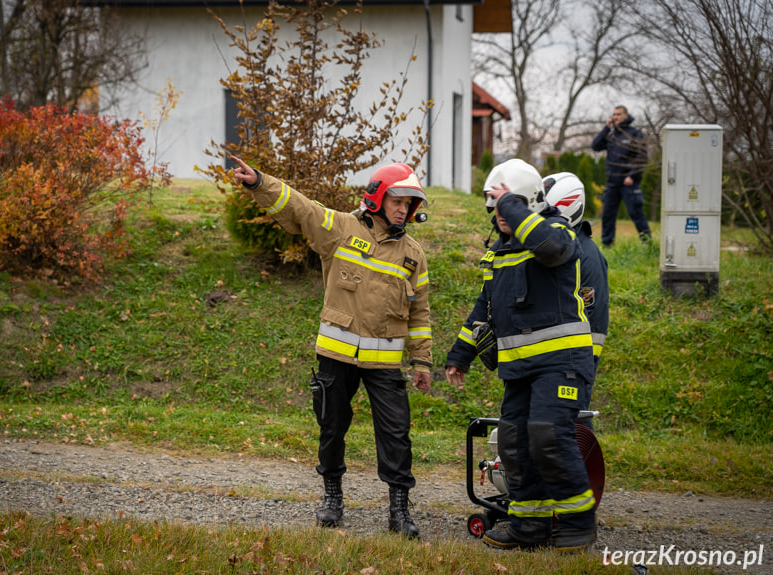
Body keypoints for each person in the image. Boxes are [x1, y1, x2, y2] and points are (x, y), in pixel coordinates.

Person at [231, 156, 433, 539]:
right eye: (398, 201)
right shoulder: (341, 228)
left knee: (396, 435)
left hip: (385, 364)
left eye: (409, 204)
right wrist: (260, 183)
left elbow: (420, 311)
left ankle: (399, 510)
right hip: (336, 357)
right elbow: (300, 208)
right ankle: (332, 497)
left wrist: (421, 360)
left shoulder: (413, 254)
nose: (404, 210)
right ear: (377, 199)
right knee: (332, 429)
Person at [444, 159, 597, 551]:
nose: (499, 218)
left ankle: (579, 523)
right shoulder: (499, 253)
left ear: (526, 202)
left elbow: (550, 246)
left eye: (505, 209)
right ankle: (528, 526)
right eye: (494, 210)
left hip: (561, 363)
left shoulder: (557, 233)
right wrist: (459, 355)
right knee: (513, 442)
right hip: (519, 368)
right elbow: (484, 309)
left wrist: (512, 204)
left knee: (548, 435)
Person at [543, 172, 609, 428]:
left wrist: (579, 363)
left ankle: (584, 467)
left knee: (575, 422)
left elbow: (592, 316)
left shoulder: (587, 257)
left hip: (576, 359)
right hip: (559, 357)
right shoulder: (563, 249)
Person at [591, 105, 651, 246]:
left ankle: (647, 243)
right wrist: (606, 128)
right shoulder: (612, 135)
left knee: (636, 214)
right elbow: (595, 146)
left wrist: (632, 176)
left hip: (628, 182)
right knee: (607, 215)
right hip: (612, 183)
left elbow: (642, 157)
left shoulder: (634, 133)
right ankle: (607, 244)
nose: (615, 117)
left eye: (618, 114)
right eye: (614, 114)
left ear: (626, 115)